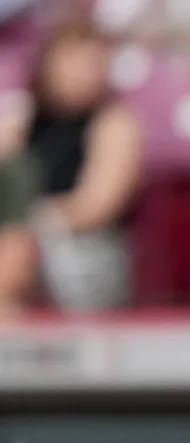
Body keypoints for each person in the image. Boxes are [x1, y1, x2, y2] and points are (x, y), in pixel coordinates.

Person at [0, 19, 143, 313]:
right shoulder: (24, 118)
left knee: (17, 251)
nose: (81, 74)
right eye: (70, 62)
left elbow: (96, 207)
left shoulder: (114, 124)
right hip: (21, 244)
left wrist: (30, 226)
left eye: (91, 63)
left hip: (85, 249)